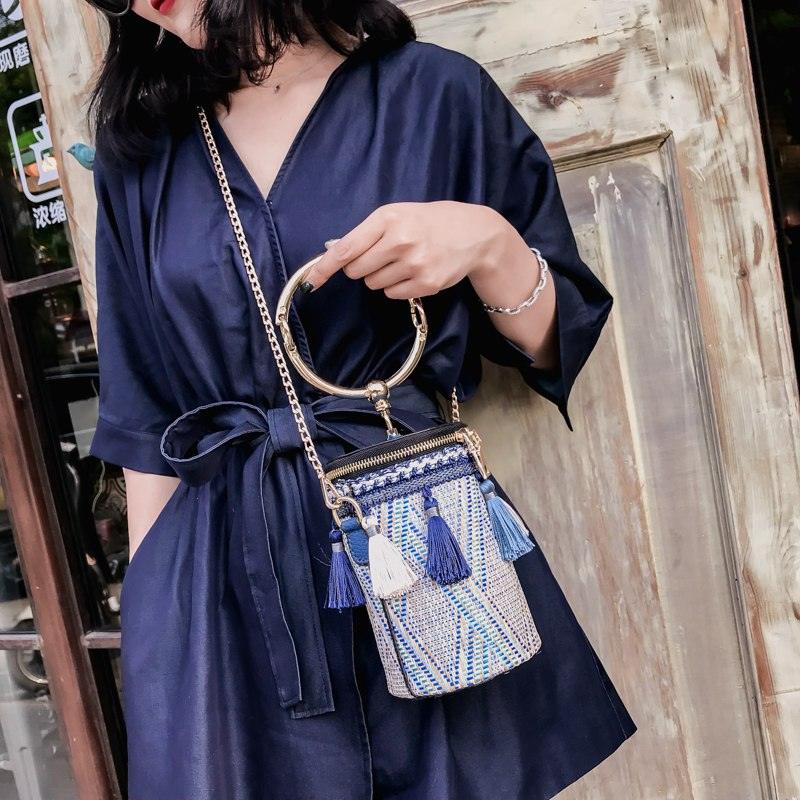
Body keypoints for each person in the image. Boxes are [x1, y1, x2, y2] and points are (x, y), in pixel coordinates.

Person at [83, 1, 637, 798]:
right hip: (231, 577)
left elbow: (553, 342)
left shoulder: (434, 95)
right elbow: (147, 419)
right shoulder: (142, 153)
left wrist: (487, 243)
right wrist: (157, 630)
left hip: (415, 528)